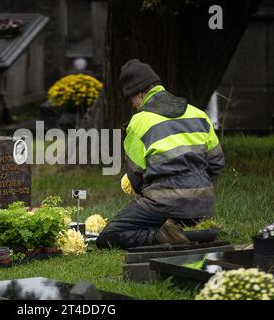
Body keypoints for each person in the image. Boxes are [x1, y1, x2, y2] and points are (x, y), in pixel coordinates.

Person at [96, 59, 225, 250]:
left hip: (163, 203)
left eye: (132, 99)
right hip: (203, 204)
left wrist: (148, 196)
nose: (134, 105)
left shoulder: (139, 122)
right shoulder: (197, 113)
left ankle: (161, 237)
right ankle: (190, 229)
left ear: (140, 93)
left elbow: (136, 174)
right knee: (172, 216)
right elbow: (216, 163)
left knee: (108, 236)